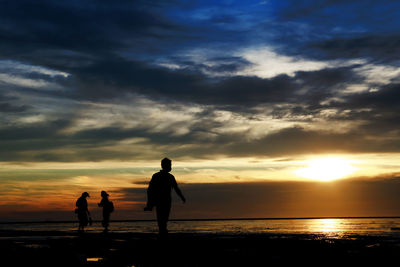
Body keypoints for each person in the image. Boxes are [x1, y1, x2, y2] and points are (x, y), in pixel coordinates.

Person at [144, 158, 186, 238]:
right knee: (163, 218)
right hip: (163, 200)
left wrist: (150, 202)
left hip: (162, 201)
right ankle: (163, 233)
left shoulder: (160, 176)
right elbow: (150, 189)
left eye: (171, 165)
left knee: (162, 219)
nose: (171, 167)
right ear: (164, 166)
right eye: (170, 165)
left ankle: (162, 232)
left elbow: (150, 190)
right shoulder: (166, 177)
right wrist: (182, 197)